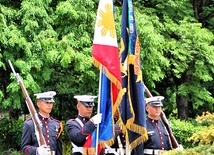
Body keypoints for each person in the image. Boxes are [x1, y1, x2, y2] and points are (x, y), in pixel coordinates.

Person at [21, 91, 63, 155]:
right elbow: (25, 148)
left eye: (51, 103)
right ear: (38, 104)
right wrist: (37, 150)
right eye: (47, 103)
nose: (49, 105)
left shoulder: (56, 124)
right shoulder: (30, 124)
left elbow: (58, 150)